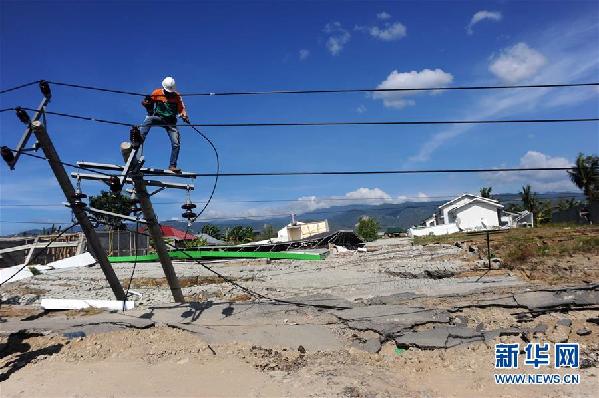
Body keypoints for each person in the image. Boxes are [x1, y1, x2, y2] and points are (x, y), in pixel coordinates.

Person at [139, 76, 190, 172]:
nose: (169, 94)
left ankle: (172, 165)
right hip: (159, 118)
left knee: (176, 144)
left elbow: (182, 109)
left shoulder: (177, 96)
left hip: (171, 122)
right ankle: (140, 139)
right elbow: (148, 103)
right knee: (149, 119)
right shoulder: (157, 93)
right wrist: (146, 103)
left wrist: (184, 116)